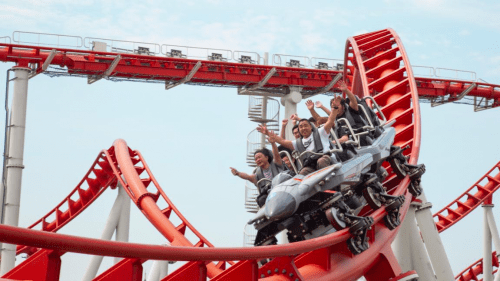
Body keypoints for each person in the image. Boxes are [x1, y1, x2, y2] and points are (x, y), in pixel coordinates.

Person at [258, 108, 338, 176]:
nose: (303, 128)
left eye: (305, 126)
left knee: (321, 161)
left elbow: (330, 121)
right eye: (301, 127)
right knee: (302, 173)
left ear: (311, 127)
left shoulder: (320, 132)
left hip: (325, 159)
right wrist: (267, 133)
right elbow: (282, 141)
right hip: (311, 165)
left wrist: (334, 109)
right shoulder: (298, 143)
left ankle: (326, 179)